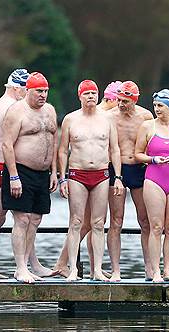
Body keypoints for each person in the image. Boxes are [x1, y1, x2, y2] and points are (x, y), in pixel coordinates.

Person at [57, 80, 123, 281]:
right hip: (78, 173)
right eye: (87, 94)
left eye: (94, 93)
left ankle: (96, 270)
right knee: (76, 221)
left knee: (98, 222)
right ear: (80, 96)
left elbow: (115, 149)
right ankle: (73, 269)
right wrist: (62, 178)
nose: (91, 97)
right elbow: (62, 151)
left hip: (102, 174)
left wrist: (118, 178)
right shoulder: (70, 119)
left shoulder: (106, 120)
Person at [0, 68, 55, 280]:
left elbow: (53, 142)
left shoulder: (50, 110)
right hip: (16, 170)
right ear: (26, 90)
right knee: (17, 219)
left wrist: (54, 173)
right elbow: (6, 145)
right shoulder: (12, 110)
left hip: (42, 173)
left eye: (46, 91)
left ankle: (29, 265)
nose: (43, 95)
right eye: (39, 91)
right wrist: (13, 176)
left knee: (35, 219)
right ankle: (21, 267)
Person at [134, 89, 169, 282]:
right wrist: (153, 159)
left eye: (161, 105)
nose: (157, 109)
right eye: (155, 105)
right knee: (156, 227)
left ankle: (168, 270)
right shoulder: (147, 126)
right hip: (154, 179)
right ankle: (155, 271)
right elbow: (138, 154)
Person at [108, 81, 154, 280]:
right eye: (118, 100)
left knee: (145, 221)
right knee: (116, 221)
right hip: (116, 168)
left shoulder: (145, 117)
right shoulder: (109, 117)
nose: (120, 104)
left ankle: (150, 267)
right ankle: (116, 270)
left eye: (125, 101)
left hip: (139, 168)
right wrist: (117, 176)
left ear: (134, 100)